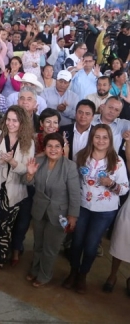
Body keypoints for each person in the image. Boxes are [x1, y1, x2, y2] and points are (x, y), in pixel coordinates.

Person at [63, 125, 129, 294]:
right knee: (76, 242)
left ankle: (83, 275)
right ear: (91, 138)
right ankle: (73, 272)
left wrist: (112, 183)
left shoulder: (117, 161)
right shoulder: (81, 156)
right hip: (82, 206)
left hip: (105, 211)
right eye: (97, 137)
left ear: (110, 140)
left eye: (105, 137)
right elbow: (73, 181)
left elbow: (124, 189)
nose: (101, 140)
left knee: (91, 246)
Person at [0, 105, 35, 272]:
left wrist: (12, 162)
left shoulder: (28, 142)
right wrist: (2, 161)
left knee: (6, 226)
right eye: (8, 119)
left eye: (15, 121)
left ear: (22, 123)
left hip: (15, 191)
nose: (11, 123)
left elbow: (27, 168)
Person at [23, 133, 81, 287]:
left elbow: (75, 194)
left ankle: (45, 274)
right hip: (39, 209)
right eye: (50, 146)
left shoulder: (69, 166)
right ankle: (35, 270)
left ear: (63, 149)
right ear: (45, 148)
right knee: (38, 244)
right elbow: (27, 182)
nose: (53, 149)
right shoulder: (39, 161)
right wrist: (29, 174)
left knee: (50, 248)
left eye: (57, 146)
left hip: (59, 214)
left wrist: (73, 216)